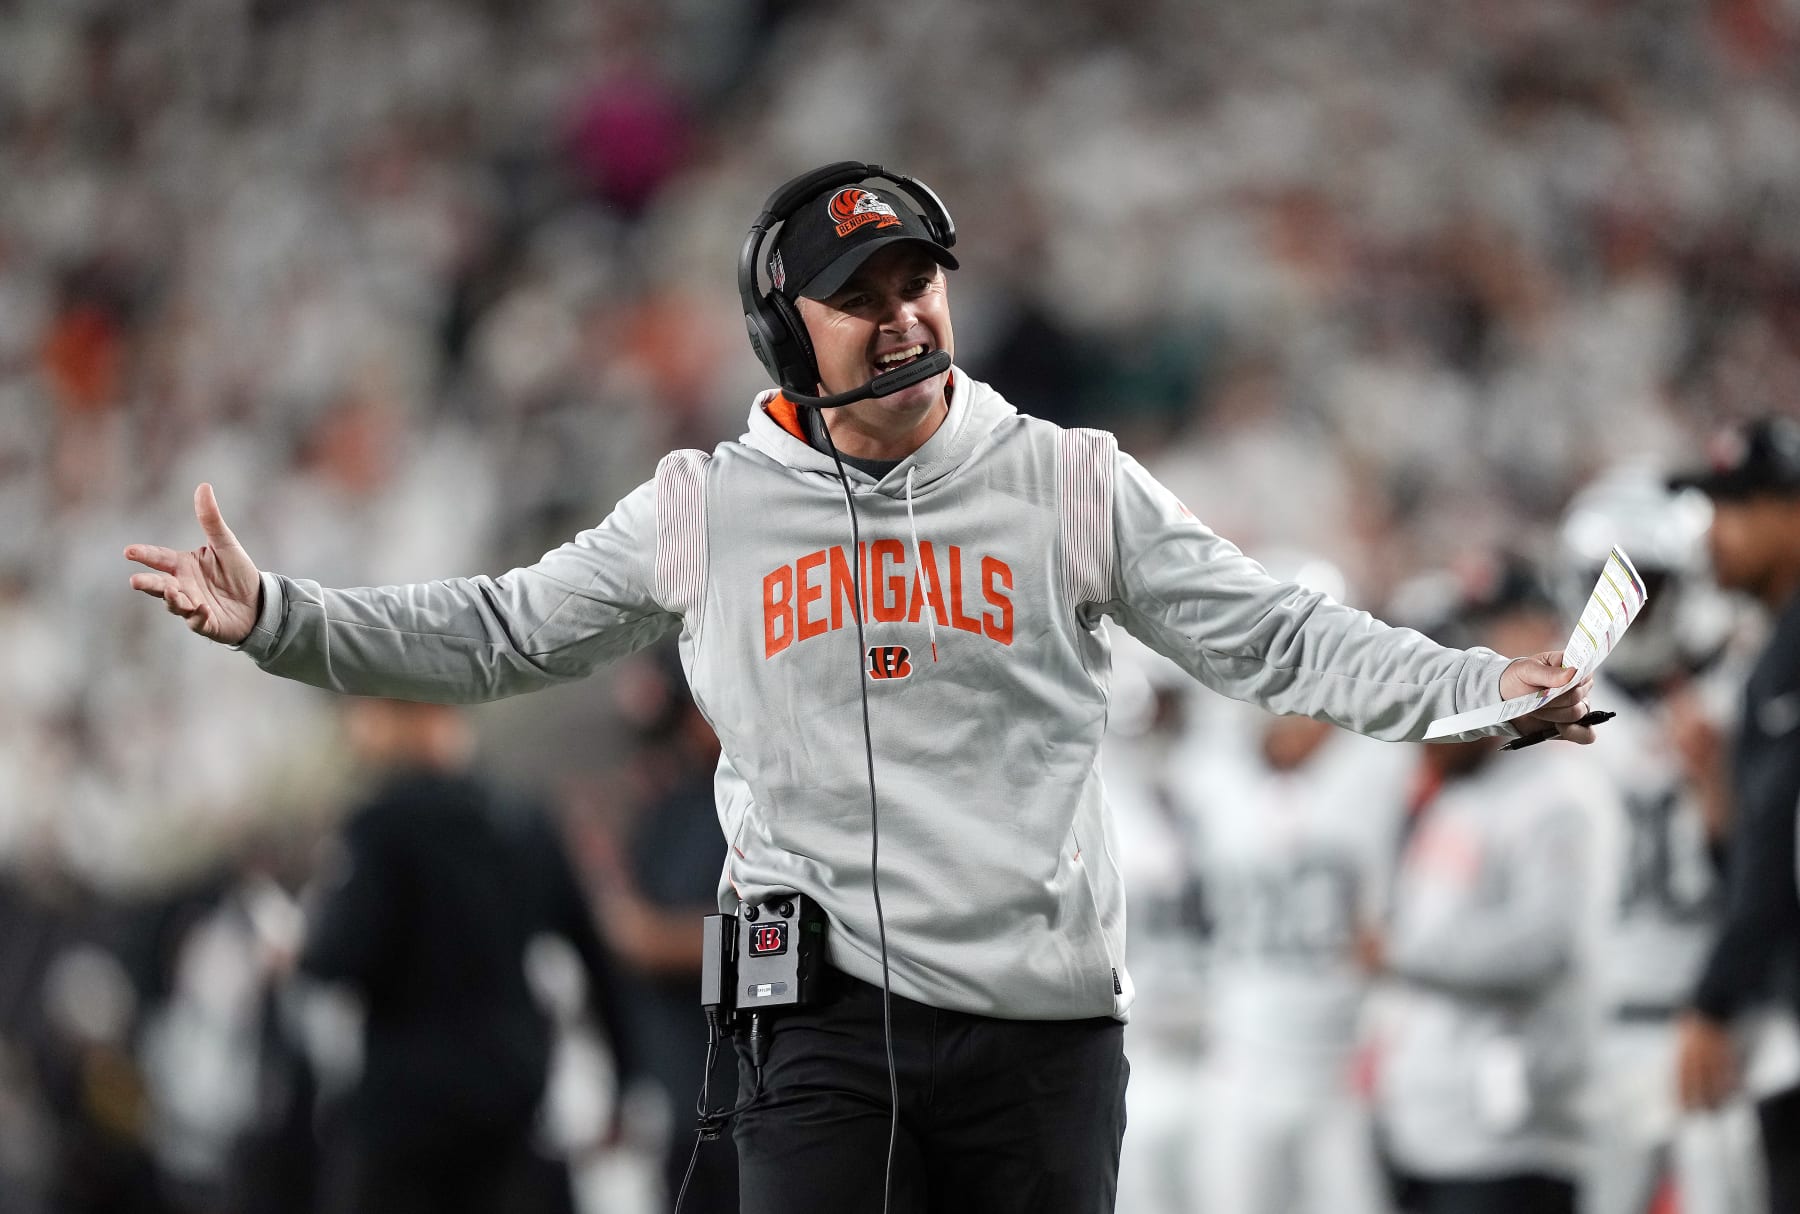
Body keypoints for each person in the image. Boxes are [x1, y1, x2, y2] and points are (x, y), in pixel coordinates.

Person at [124, 161, 1598, 1214]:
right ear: (786, 331)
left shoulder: (1071, 480)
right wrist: (281, 618)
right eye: (858, 294)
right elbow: (501, 632)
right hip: (816, 1029)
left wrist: (1473, 688)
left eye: (918, 281)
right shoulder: (705, 505)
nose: (902, 316)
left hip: (1041, 1030)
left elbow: (1276, 634)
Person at [295, 697, 634, 1214]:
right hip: (513, 1093)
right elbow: (595, 953)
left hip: (407, 1108)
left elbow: (337, 957)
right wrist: (626, 1080)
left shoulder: (381, 826)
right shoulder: (522, 817)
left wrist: (303, 940)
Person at [1370, 561, 1612, 1214]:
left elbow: (1543, 945)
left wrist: (1400, 952)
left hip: (1513, 1130)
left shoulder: (1556, 793)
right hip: (1428, 1119)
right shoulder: (1454, 794)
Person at [1559, 468, 1763, 1214]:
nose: (1629, 614)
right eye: (1608, 587)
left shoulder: (1742, 684)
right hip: (1600, 1019)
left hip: (1712, 1016)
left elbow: (1764, 867)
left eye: (1649, 588)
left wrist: (1717, 782)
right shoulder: (1551, 703)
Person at [1669, 416, 1800, 1214]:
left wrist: (1715, 998)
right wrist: (1720, 795)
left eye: (1735, 507)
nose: (1714, 534)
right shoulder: (1772, 647)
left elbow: (1782, 844)